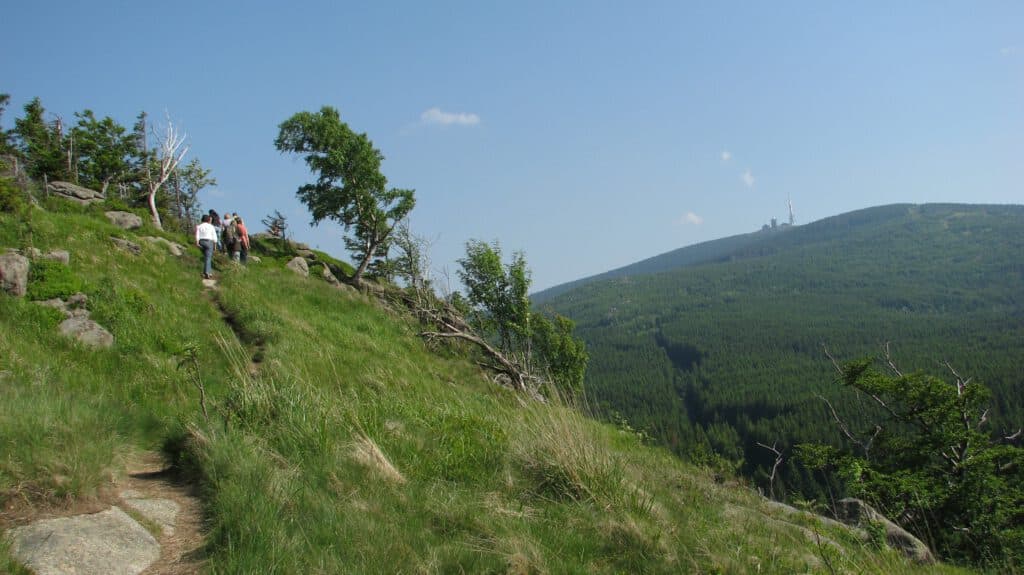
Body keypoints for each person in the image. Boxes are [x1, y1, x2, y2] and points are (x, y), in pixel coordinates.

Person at [195, 214, 218, 279]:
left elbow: (197, 235)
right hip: (209, 242)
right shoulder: (211, 226)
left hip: (201, 241)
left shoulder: (199, 226)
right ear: (208, 220)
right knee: (208, 257)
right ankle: (207, 272)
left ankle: (208, 272)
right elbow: (214, 236)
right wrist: (215, 245)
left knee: (206, 257)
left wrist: (197, 242)